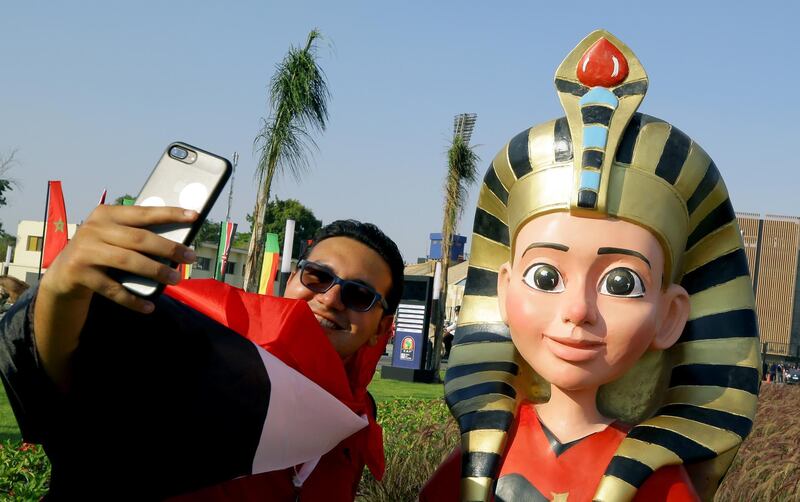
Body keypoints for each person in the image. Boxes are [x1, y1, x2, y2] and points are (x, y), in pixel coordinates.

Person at [422, 30, 760, 501]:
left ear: (670, 316)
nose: (578, 310)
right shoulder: (472, 467)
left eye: (621, 282)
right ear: (504, 289)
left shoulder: (657, 485)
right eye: (546, 277)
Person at [0, 210, 404, 501]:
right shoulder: (204, 347)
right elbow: (55, 374)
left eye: (359, 295)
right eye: (317, 276)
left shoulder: (356, 418)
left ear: (382, 330)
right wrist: (62, 291)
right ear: (292, 280)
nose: (330, 298)